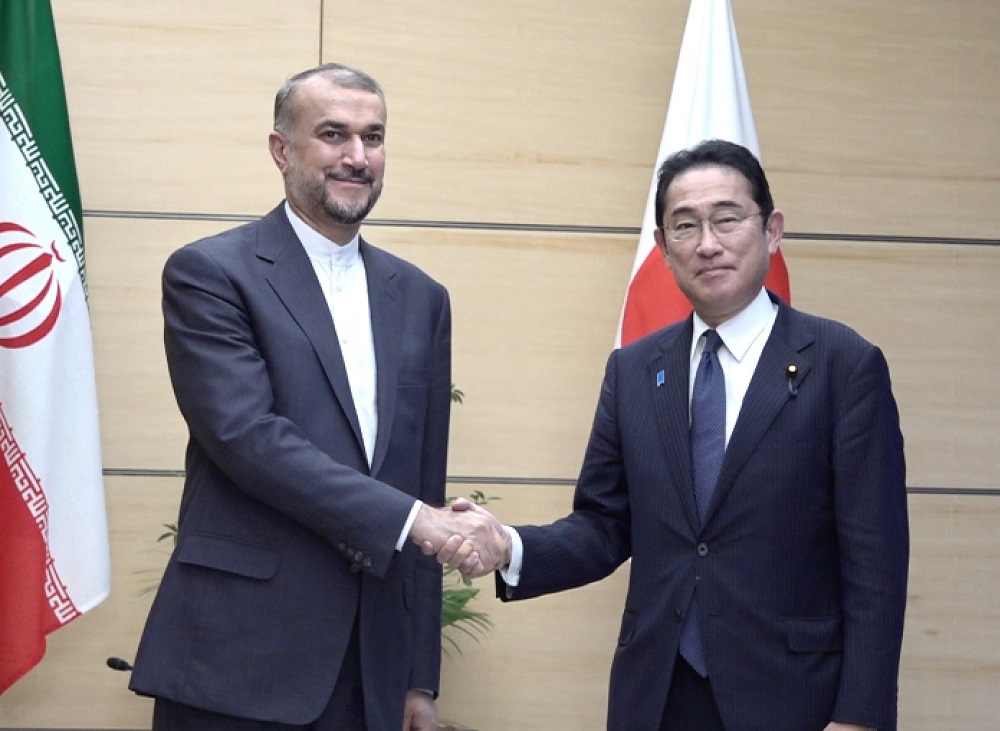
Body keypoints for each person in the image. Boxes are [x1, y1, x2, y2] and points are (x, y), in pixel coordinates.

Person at [438, 139, 909, 730]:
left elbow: (876, 569)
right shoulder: (634, 371)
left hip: (794, 700)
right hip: (657, 696)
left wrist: (860, 718)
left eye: (727, 219)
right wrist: (509, 547)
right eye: (684, 227)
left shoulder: (843, 365)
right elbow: (605, 527)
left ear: (772, 229)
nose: (707, 244)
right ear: (661, 249)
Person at [128, 62, 504, 731]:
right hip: (237, 667)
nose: (358, 157)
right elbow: (248, 439)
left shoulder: (421, 297)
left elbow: (422, 474)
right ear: (281, 149)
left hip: (372, 676)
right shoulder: (211, 273)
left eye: (374, 136)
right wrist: (417, 519)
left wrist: (417, 677)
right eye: (333, 134)